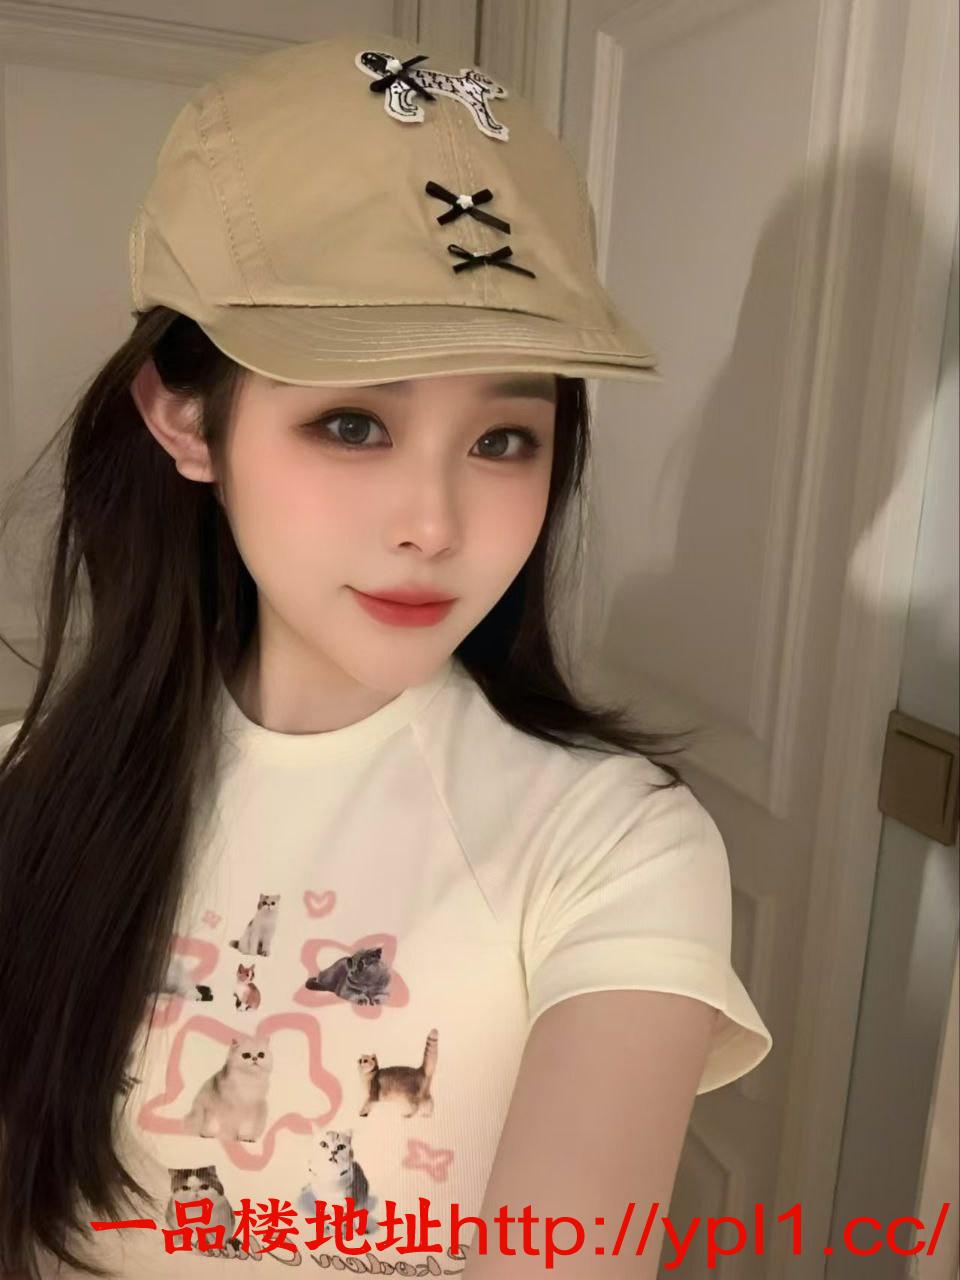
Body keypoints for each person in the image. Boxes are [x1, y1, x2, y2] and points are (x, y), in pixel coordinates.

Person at [0, 30, 772, 1280]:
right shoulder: (33, 789)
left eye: (504, 438)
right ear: (184, 417)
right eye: (354, 422)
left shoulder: (616, 843)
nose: (435, 523)